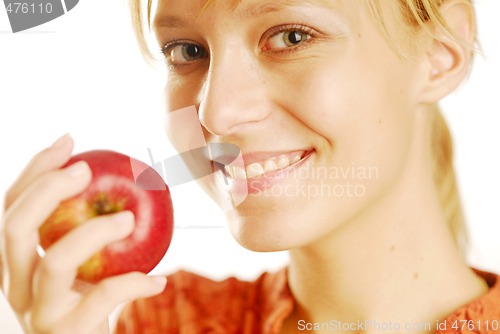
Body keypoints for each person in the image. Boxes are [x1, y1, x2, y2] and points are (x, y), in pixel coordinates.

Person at [1, 0, 499, 333]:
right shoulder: (163, 323)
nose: (215, 113)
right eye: (188, 51)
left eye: (290, 37)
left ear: (438, 53)